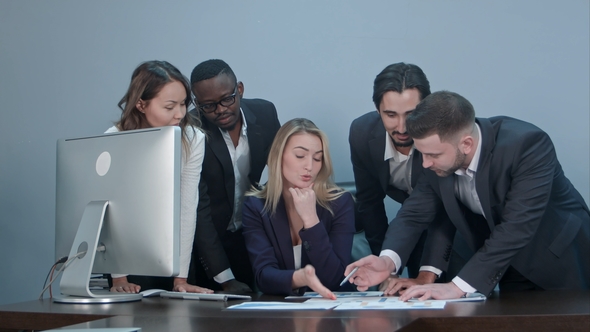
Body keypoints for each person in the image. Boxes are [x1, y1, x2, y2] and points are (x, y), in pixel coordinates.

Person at [346, 90, 590, 300]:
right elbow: (412, 214)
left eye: (433, 155)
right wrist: (387, 262)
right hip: (506, 265)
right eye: (422, 154)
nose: (425, 164)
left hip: (561, 257)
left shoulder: (527, 145)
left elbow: (518, 226)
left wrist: (456, 287)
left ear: (467, 144)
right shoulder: (435, 160)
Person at [106, 60, 213, 294]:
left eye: (183, 104)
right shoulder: (114, 139)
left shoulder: (193, 138)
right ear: (141, 104)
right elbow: (110, 214)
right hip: (125, 258)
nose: (180, 114)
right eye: (169, 106)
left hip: (174, 255)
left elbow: (186, 209)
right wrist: (119, 279)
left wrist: (181, 279)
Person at [349, 63, 457, 291]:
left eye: (411, 114)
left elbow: (447, 207)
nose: (402, 127)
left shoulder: (443, 134)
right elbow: (370, 205)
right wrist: (385, 267)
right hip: (405, 229)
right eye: (390, 115)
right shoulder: (361, 134)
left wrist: (428, 272)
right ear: (377, 110)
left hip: (452, 230)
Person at [188, 59, 281, 292]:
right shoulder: (190, 129)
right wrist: (224, 277)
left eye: (227, 99)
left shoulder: (265, 113)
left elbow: (282, 170)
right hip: (207, 244)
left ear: (239, 89)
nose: (220, 110)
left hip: (249, 234)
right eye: (208, 106)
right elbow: (197, 208)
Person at [242, 118, 355, 298]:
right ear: (278, 156)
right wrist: (300, 278)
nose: (309, 166)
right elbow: (263, 276)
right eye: (300, 156)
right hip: (283, 313)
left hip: (335, 310)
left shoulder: (340, 203)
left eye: (317, 158)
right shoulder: (256, 207)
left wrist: (311, 220)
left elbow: (335, 279)